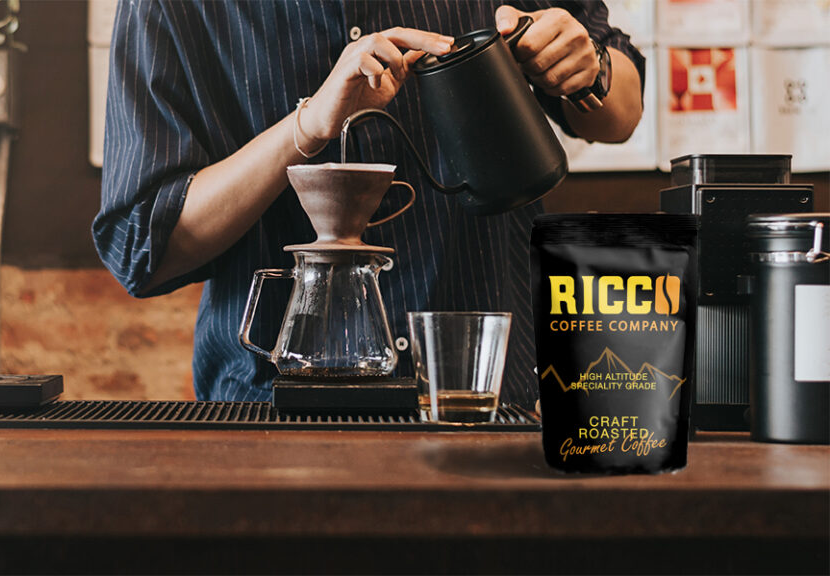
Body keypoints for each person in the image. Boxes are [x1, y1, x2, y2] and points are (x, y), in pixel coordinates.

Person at [93, 1, 646, 406]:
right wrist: (307, 126)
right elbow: (144, 246)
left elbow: (621, 112)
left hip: (489, 391)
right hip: (270, 412)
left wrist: (589, 65)